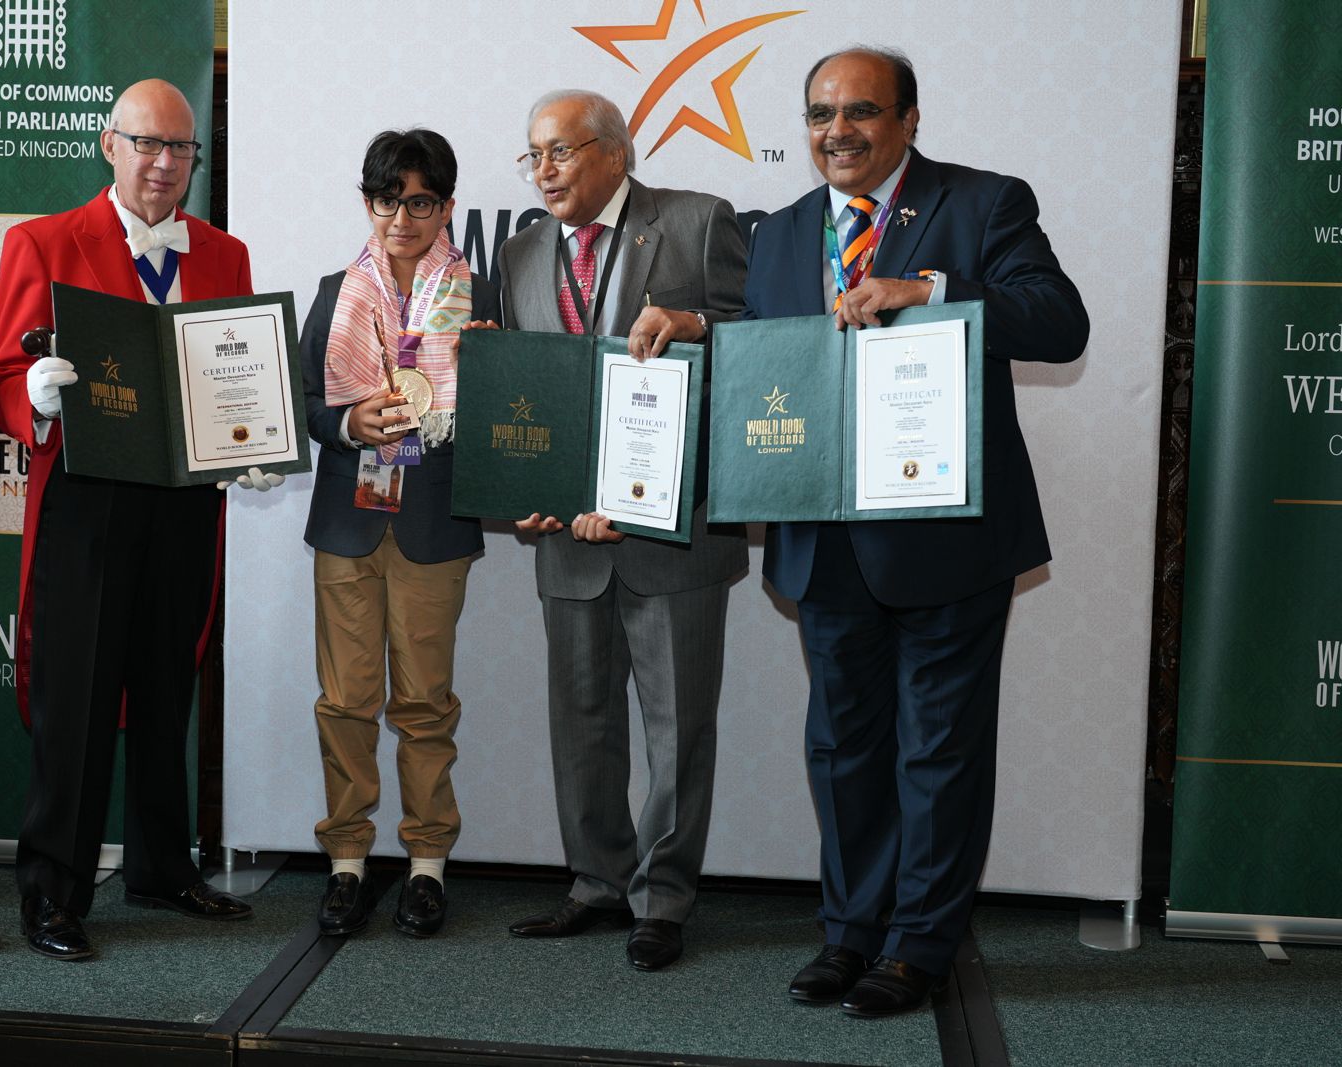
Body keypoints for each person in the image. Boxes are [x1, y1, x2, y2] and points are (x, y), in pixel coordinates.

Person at [743, 47, 1089, 1016]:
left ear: (909, 119)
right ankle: (850, 931)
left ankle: (919, 946)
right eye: (820, 114)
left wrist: (926, 291)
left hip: (946, 535)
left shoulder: (982, 204)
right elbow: (767, 362)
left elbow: (1058, 322)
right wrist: (697, 331)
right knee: (842, 747)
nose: (837, 131)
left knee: (937, 750)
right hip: (822, 534)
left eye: (860, 111)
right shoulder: (781, 231)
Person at [0, 78, 273, 961]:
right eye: (146, 143)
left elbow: (235, 378)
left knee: (164, 687)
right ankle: (53, 892)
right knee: (76, 697)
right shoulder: (42, 242)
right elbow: (3, 377)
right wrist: (33, 398)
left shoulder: (225, 254)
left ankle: (161, 868)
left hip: (184, 504)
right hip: (86, 501)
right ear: (110, 145)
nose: (162, 163)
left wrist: (250, 442)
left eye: (180, 147)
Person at [496, 90, 747, 971]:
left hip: (672, 536)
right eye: (533, 156)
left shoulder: (698, 222)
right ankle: (597, 882)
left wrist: (696, 322)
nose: (544, 171)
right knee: (582, 722)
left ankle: (662, 898)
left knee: (678, 730)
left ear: (614, 151)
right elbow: (528, 391)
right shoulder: (520, 252)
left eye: (560, 152)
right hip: (566, 537)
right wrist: (523, 487)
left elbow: (758, 342)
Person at [299, 129, 499, 939]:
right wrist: (350, 422)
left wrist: (480, 384)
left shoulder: (479, 298)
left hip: (432, 523)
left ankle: (426, 865)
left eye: (420, 202)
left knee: (424, 706)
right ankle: (347, 861)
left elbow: (513, 412)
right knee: (345, 702)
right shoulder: (335, 292)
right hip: (348, 522)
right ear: (368, 204)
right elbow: (307, 405)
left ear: (447, 208)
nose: (402, 219)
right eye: (388, 201)